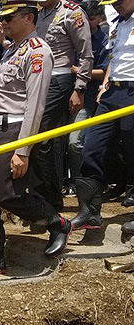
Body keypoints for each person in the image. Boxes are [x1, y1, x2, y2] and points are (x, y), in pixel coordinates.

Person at [0, 0, 74, 274]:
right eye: (4, 18)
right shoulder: (13, 49)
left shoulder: (38, 52)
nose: (5, 22)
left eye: (11, 17)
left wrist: (23, 149)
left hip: (13, 131)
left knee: (9, 194)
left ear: (29, 18)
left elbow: (35, 105)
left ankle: (57, 223)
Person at [71, 0, 134, 231]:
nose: (116, 6)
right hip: (112, 92)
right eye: (113, 3)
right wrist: (105, 84)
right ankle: (90, 211)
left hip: (133, 91)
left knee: (132, 148)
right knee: (91, 146)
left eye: (120, 1)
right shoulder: (117, 25)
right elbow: (114, 59)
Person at [32, 0, 93, 211]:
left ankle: (47, 202)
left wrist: (80, 88)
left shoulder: (72, 12)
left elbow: (86, 54)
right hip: (38, 79)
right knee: (42, 141)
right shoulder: (39, 14)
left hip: (59, 79)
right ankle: (48, 197)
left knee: (40, 139)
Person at [66, 0, 110, 195]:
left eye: (90, 18)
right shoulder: (72, 35)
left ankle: (81, 182)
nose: (86, 22)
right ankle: (70, 181)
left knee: (75, 142)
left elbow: (107, 70)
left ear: (100, 18)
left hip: (90, 98)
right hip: (65, 95)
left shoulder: (105, 39)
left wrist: (80, 71)